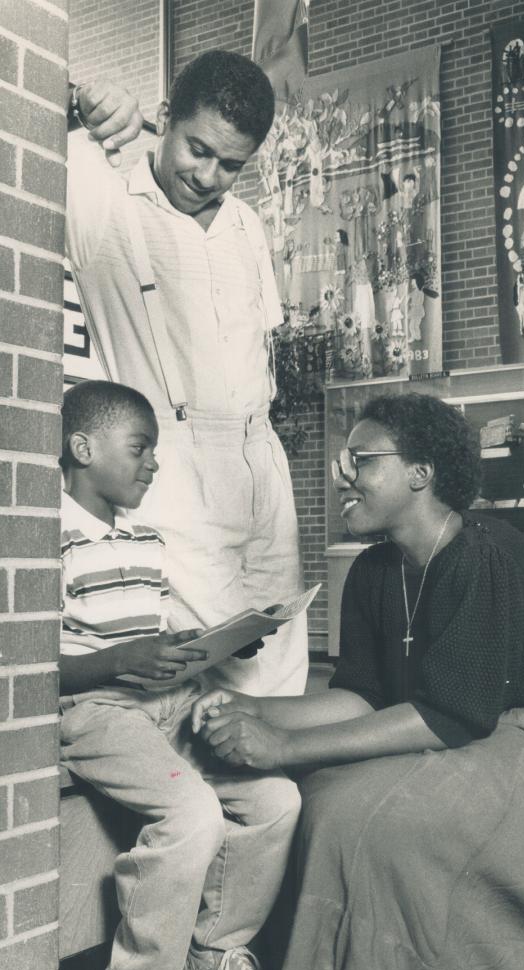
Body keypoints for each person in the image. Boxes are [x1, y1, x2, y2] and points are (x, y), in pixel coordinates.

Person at [191, 392, 524, 970]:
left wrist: (279, 747)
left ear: (422, 474)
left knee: (373, 816)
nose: (342, 474)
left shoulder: (484, 553)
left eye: (362, 458)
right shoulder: (372, 572)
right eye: (342, 459)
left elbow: (449, 714)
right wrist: (254, 709)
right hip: (469, 724)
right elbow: (361, 694)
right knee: (328, 791)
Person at [59, 380, 301, 970]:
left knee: (273, 798)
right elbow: (28, 666)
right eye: (140, 448)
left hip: (165, 700)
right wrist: (117, 660)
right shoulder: (43, 535)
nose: (153, 463)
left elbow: (150, 635)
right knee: (192, 812)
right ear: (83, 447)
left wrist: (218, 641)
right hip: (97, 711)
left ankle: (212, 948)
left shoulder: (141, 538)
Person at [65, 50, 307, 696]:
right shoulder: (104, 204)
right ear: (166, 117)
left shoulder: (248, 227)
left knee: (282, 663)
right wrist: (87, 96)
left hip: (260, 461)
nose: (207, 175)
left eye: (231, 164)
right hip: (176, 467)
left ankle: (282, 794)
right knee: (221, 670)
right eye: (197, 149)